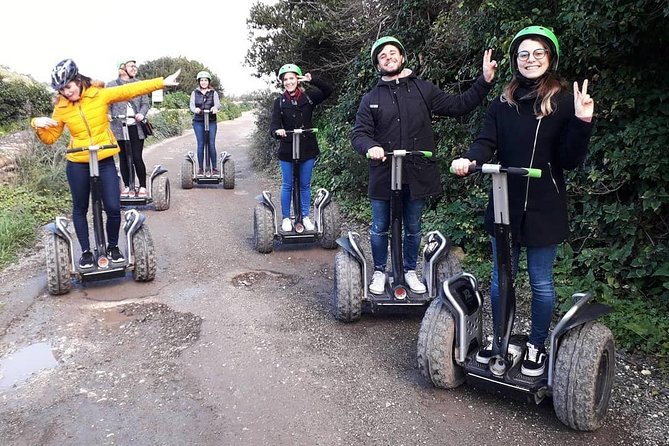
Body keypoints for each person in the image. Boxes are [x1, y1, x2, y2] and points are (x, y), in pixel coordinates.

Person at [451, 26, 594, 377]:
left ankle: (536, 345)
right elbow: (485, 141)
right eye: (524, 55)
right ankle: (500, 340)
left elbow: (569, 160)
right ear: (516, 61)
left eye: (537, 54)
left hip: (545, 204)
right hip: (505, 202)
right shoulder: (504, 101)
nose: (530, 60)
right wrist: (470, 159)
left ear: (550, 58)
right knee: (502, 277)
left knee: (541, 281)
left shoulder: (562, 101)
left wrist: (582, 121)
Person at [351, 36, 497, 295]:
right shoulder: (371, 98)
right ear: (377, 64)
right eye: (382, 56)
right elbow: (359, 133)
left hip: (416, 171)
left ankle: (409, 270)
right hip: (384, 172)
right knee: (379, 227)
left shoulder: (423, 89)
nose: (388, 58)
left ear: (402, 57)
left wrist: (484, 82)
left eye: (392, 53)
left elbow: (459, 105)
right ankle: (379, 271)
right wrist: (370, 147)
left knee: (414, 227)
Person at [31, 59, 180, 268]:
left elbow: (130, 90)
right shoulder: (62, 107)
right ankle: (85, 253)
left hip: (103, 158)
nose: (66, 92)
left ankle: (112, 247)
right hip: (78, 161)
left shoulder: (99, 93)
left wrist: (161, 82)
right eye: (61, 89)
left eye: (68, 86)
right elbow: (50, 138)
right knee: (80, 208)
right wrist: (37, 125)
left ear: (77, 79)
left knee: (112, 205)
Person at [269, 63, 333, 232]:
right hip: (287, 148)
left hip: (307, 147)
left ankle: (304, 216)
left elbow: (328, 91)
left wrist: (313, 80)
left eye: (292, 78)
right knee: (287, 184)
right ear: (282, 82)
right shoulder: (280, 102)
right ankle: (286, 218)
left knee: (305, 184)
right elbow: (273, 126)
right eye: (286, 79)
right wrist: (278, 131)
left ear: (297, 80)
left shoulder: (309, 97)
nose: (289, 82)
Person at [107, 58, 151, 198]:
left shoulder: (139, 85)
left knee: (137, 157)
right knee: (123, 158)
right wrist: (107, 114)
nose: (134, 68)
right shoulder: (111, 85)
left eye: (135, 66)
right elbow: (106, 103)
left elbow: (145, 103)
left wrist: (141, 113)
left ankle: (142, 186)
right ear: (122, 69)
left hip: (135, 126)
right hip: (119, 126)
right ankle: (127, 186)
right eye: (131, 66)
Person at [189, 71, 220, 175]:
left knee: (211, 143)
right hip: (198, 121)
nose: (203, 82)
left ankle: (214, 168)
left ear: (209, 81)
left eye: (205, 80)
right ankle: (201, 168)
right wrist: (195, 110)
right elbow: (192, 106)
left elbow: (217, 104)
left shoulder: (213, 93)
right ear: (199, 81)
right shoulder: (195, 93)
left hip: (211, 121)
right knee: (201, 143)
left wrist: (215, 108)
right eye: (201, 80)